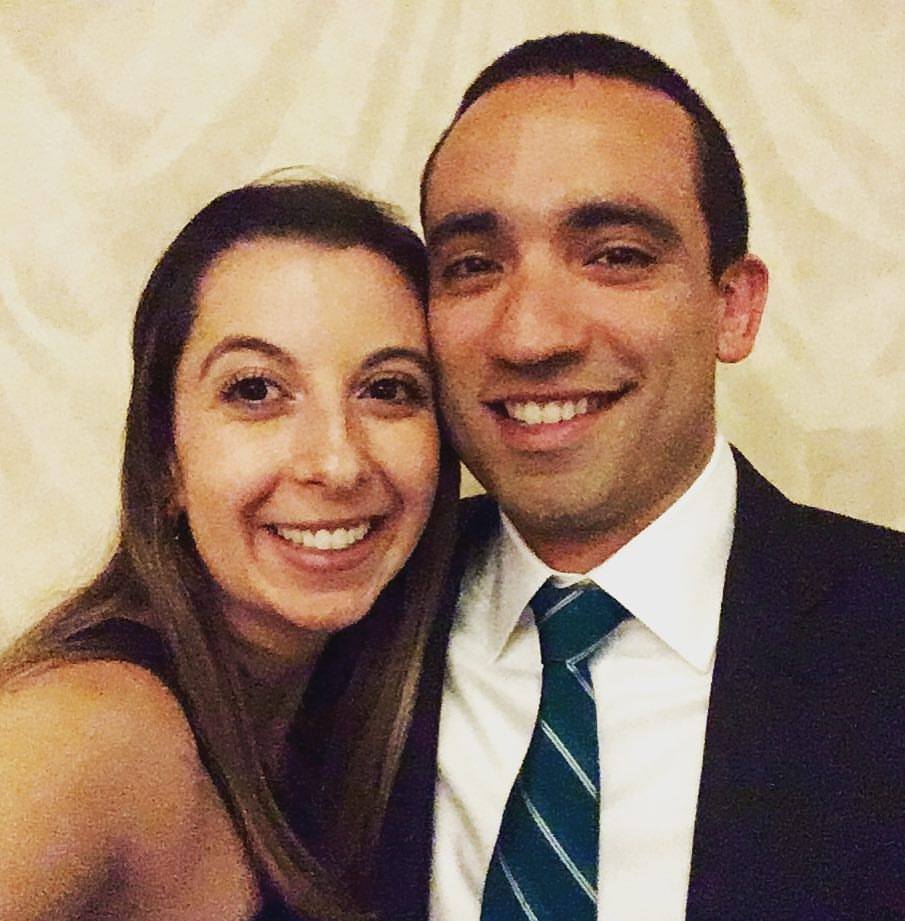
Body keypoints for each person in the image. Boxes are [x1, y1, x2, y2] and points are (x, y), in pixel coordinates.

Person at [372, 33, 905, 920]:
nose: (530, 335)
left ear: (731, 307)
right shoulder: (342, 624)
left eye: (615, 254)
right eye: (472, 266)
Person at [0, 178, 459, 921]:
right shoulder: (85, 732)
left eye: (388, 390)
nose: (337, 463)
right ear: (164, 460)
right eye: (256, 391)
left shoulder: (347, 718)